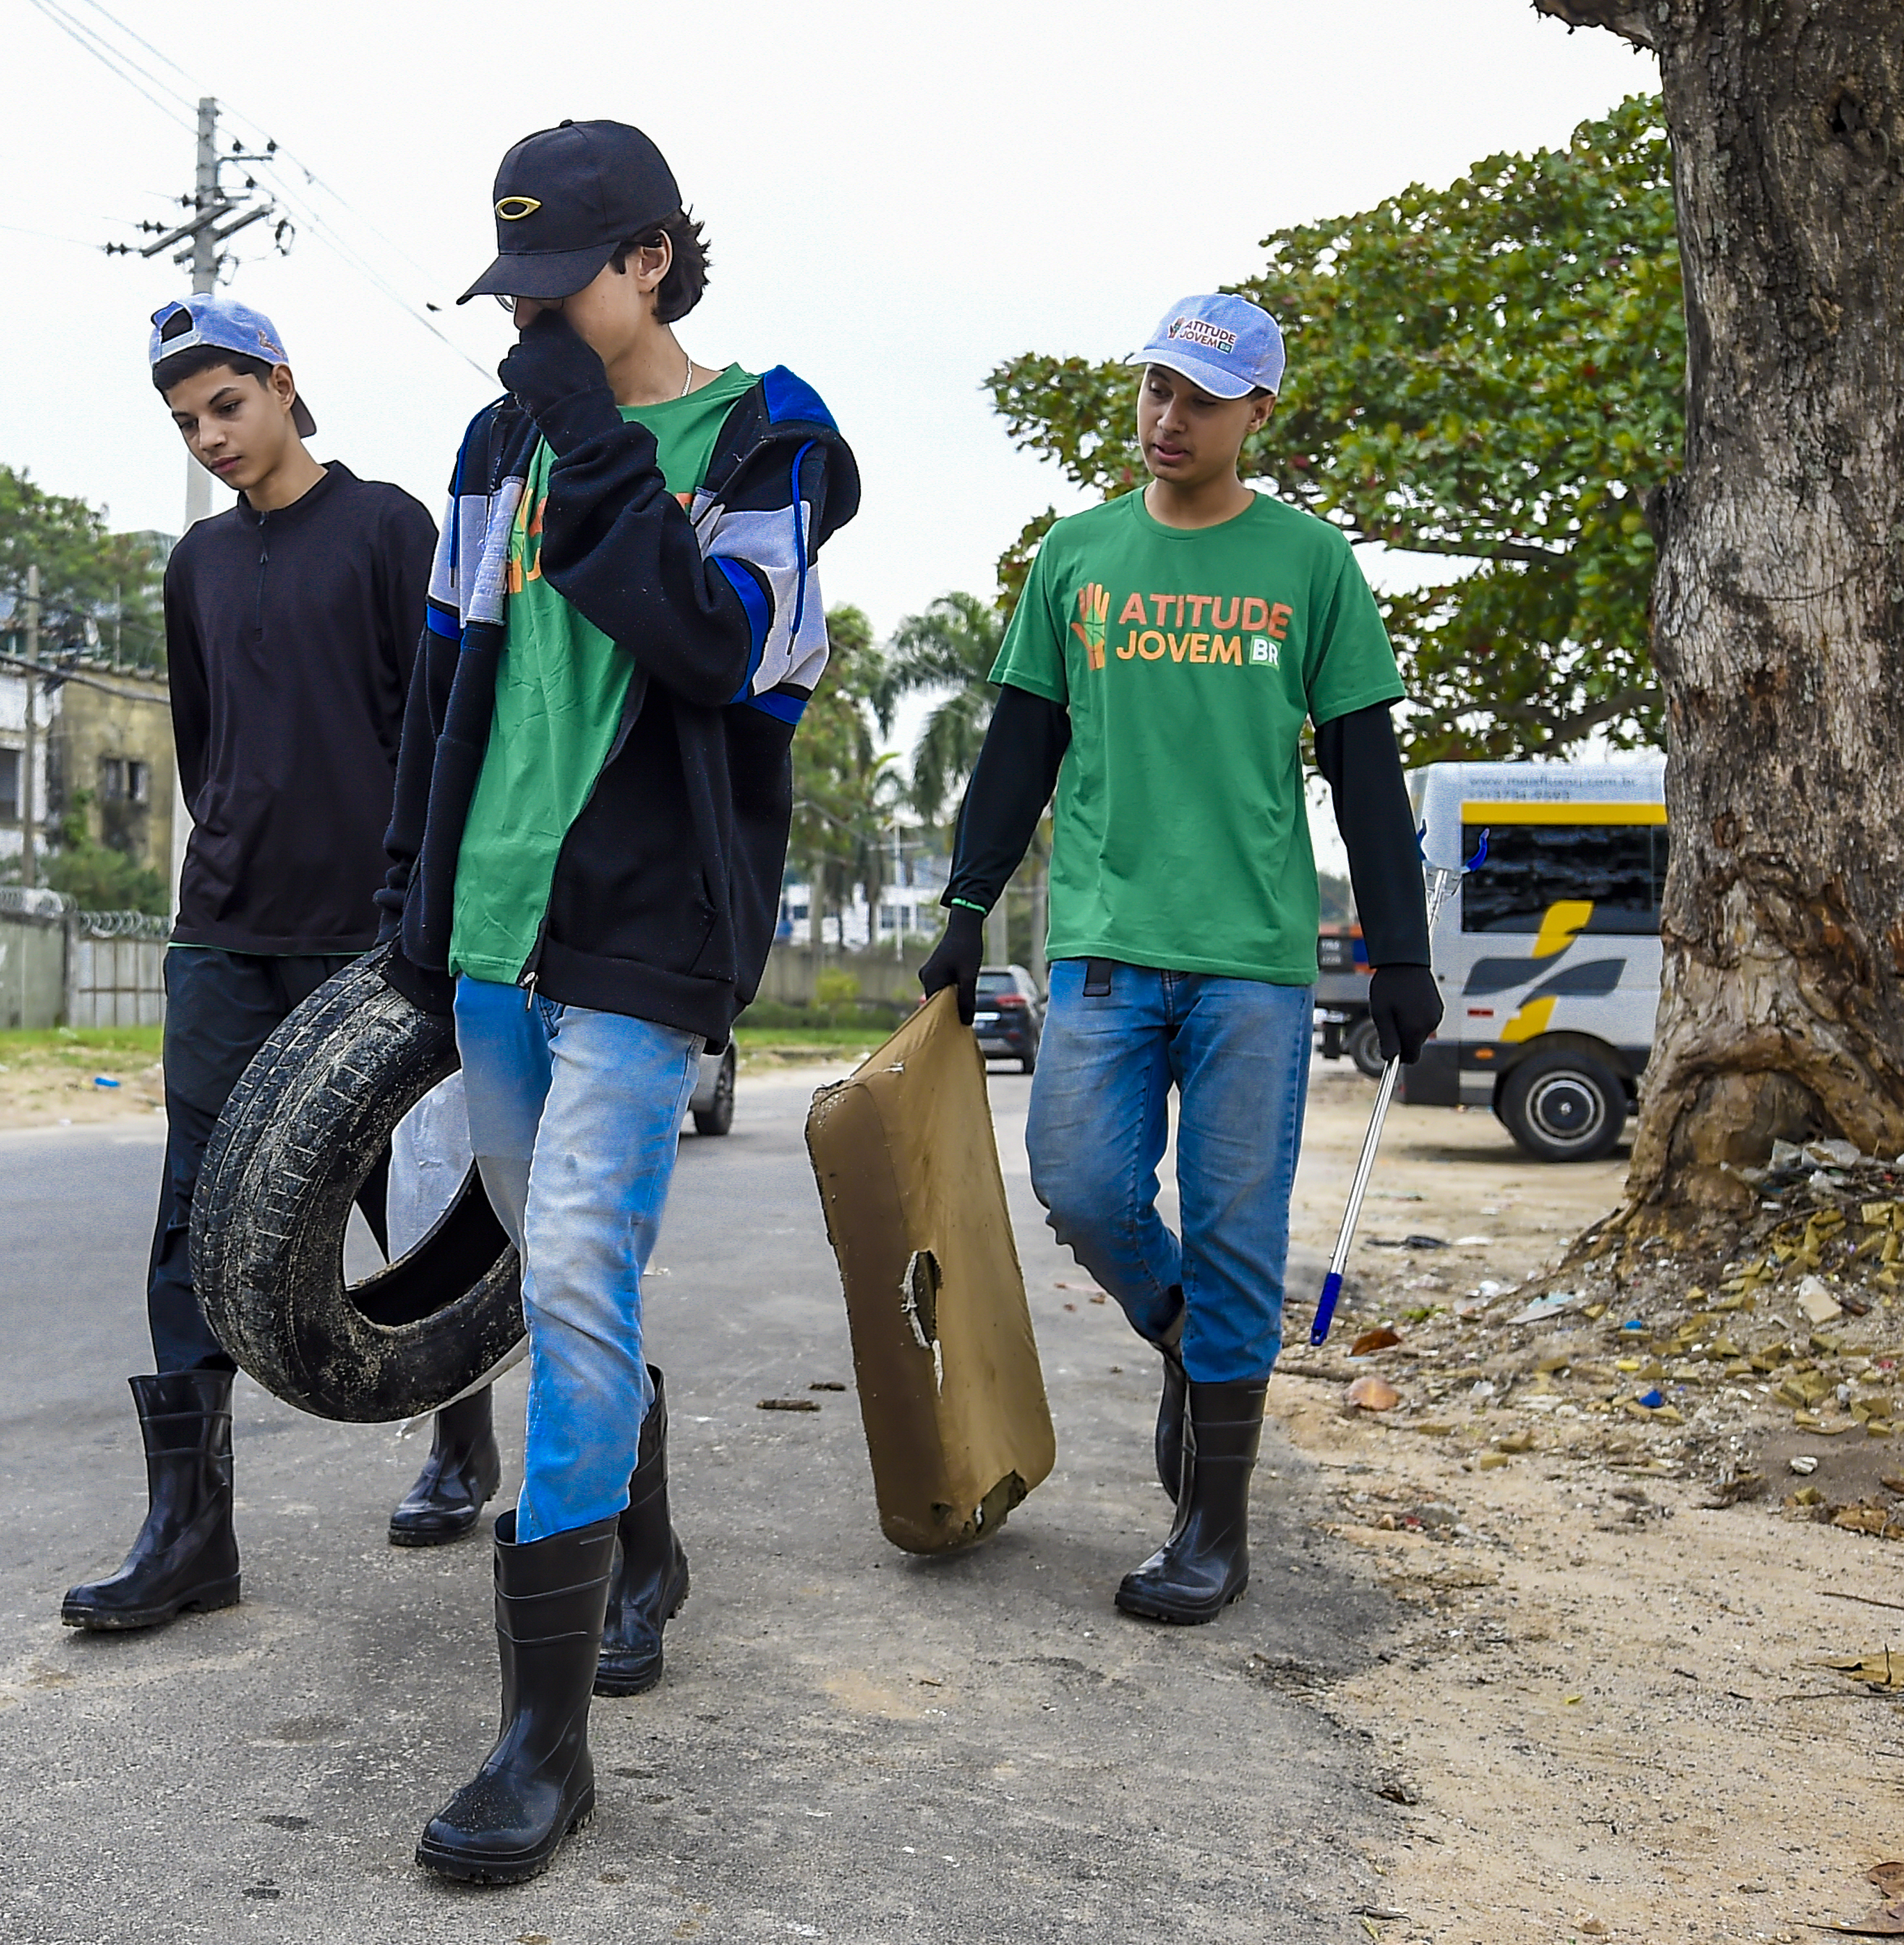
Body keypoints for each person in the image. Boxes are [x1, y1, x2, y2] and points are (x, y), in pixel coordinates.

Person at [378, 118, 858, 1885]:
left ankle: (541, 1740)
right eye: (508, 285)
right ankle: (640, 1547)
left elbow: (719, 648)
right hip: (491, 920)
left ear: (651, 257)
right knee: (553, 1260)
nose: (528, 318)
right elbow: (445, 671)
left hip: (649, 925)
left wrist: (597, 442)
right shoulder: (495, 441)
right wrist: (406, 899)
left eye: (556, 281)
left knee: (576, 1264)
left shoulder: (776, 444)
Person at [919, 293, 1443, 1628]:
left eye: (1202, 400)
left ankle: (1213, 1525)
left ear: (1257, 412)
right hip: (1099, 941)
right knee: (1081, 1179)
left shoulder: (1310, 564)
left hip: (1252, 960)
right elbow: (1019, 747)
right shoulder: (1077, 558)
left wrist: (1400, 955)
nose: (1170, 419)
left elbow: (1369, 780)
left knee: (1235, 1226)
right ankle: (1186, 1337)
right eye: (1157, 389)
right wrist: (967, 904)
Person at [60, 291, 480, 1636]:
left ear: (286, 384)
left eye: (227, 405)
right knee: (194, 1214)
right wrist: (235, 848)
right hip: (224, 930)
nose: (212, 437)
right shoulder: (193, 561)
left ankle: (459, 1432)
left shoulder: (388, 526)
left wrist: (416, 907)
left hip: (368, 935)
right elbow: (205, 745)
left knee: (404, 1208)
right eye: (187, 423)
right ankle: (190, 1531)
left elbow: (434, 727)